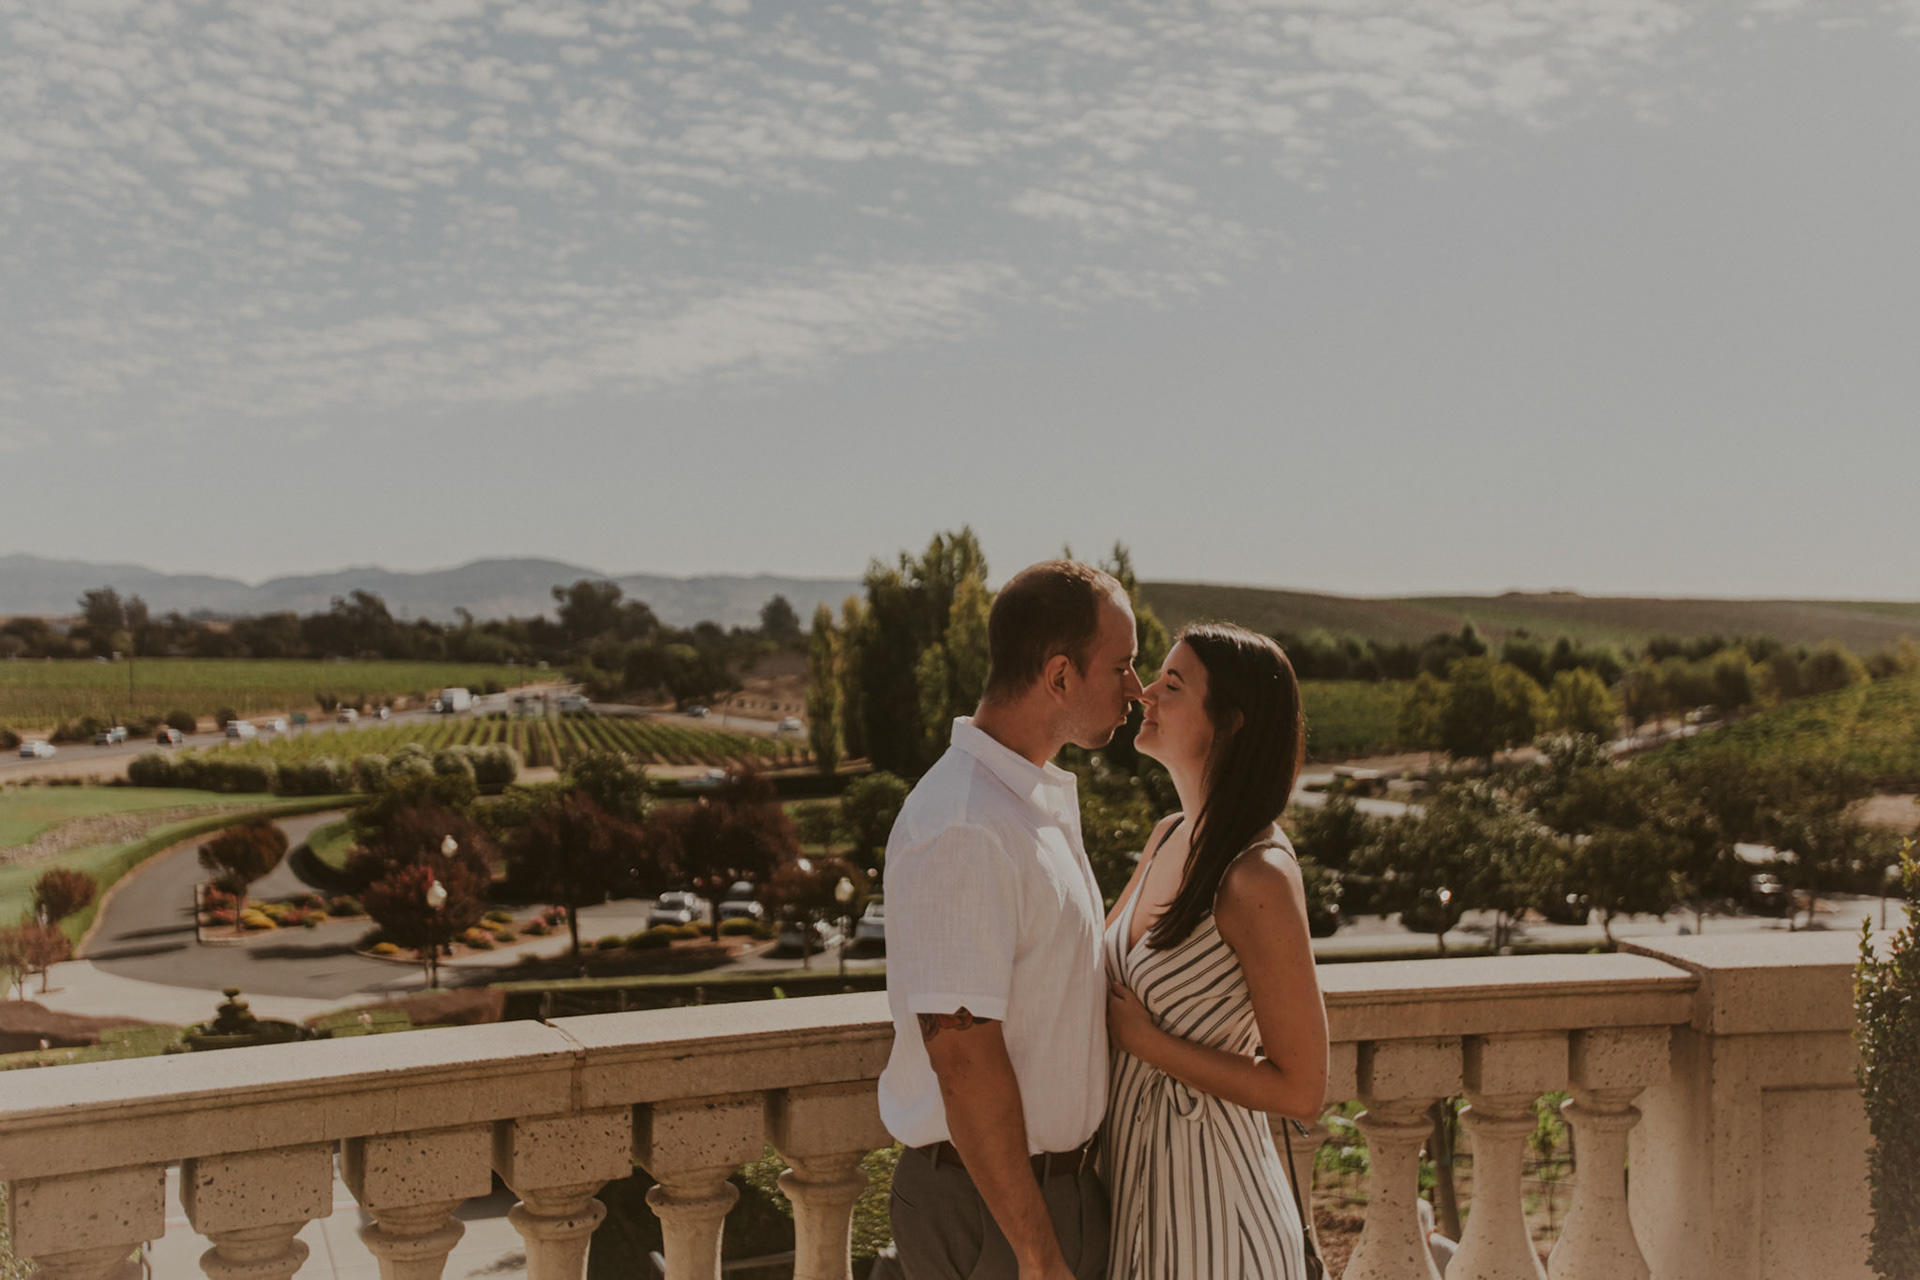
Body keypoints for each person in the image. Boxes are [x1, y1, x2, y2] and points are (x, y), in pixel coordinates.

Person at [880, 560, 1144, 1280]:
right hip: (994, 1212)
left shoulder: (1024, 804)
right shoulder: (965, 826)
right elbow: (962, 1058)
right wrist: (1036, 1250)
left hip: (1047, 1195)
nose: (1137, 689)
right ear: (1059, 677)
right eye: (1121, 666)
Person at [1101, 623, 1330, 1280]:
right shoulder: (1167, 835)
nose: (1145, 693)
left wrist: (1150, 1046)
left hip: (1216, 1214)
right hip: (1135, 1196)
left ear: (1228, 723)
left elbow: (1303, 1087)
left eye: (1171, 684)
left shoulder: (1258, 877)